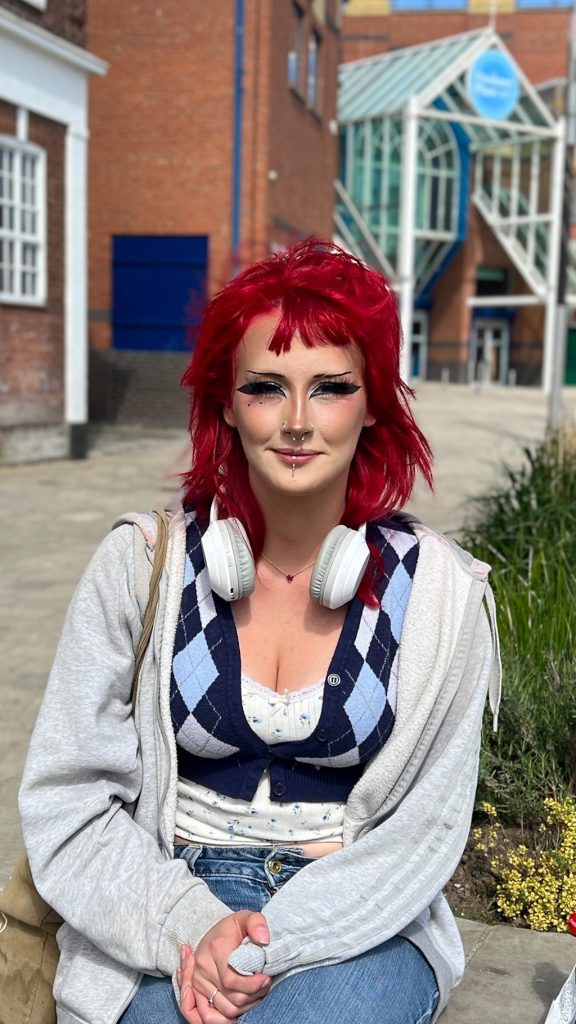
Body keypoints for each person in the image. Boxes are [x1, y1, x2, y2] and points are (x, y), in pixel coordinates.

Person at [19, 239, 500, 1024]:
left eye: (332, 387)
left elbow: (424, 832)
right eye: (267, 388)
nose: (299, 422)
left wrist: (259, 948)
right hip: (163, 896)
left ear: (373, 400)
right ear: (226, 402)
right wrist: (192, 926)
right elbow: (68, 801)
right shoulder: (139, 566)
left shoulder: (443, 594)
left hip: (359, 918)